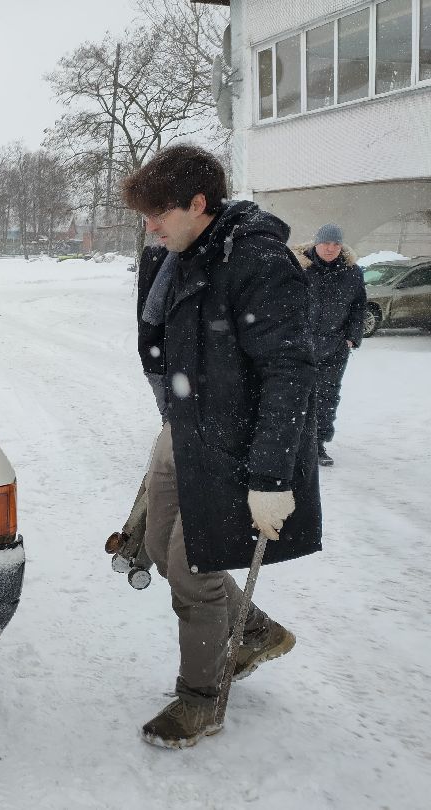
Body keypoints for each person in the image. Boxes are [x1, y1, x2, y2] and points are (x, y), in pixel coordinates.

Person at [124, 144, 322, 749]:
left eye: (160, 212)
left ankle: (201, 700)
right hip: (185, 426)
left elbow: (291, 372)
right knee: (158, 545)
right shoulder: (177, 255)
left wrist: (270, 477)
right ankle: (252, 631)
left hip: (237, 442)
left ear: (200, 203)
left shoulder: (256, 261)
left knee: (192, 565)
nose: (150, 227)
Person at [293, 225, 366, 466]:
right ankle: (293, 442)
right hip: (301, 345)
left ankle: (317, 444)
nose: (330, 248)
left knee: (327, 396)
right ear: (316, 243)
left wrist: (352, 337)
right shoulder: (300, 268)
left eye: (336, 244)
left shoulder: (352, 272)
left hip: (335, 346)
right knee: (295, 394)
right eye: (326, 243)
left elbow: (358, 307)